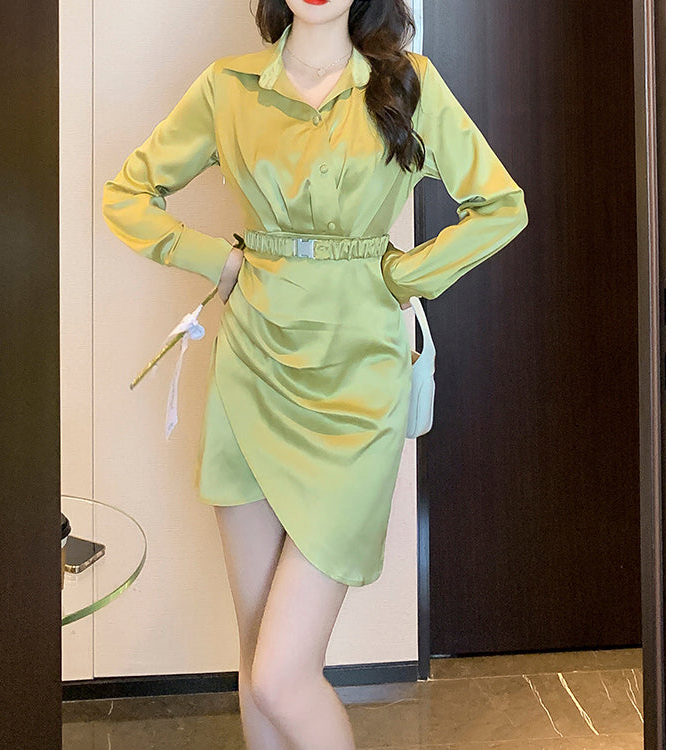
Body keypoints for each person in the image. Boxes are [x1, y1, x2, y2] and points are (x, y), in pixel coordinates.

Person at [102, 0, 528, 746]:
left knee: (281, 674)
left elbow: (501, 205)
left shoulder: (408, 85)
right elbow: (128, 194)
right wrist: (217, 260)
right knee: (255, 658)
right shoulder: (228, 87)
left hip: (356, 384)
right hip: (251, 371)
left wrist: (401, 276)